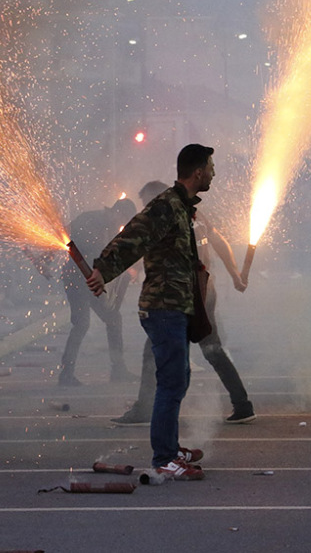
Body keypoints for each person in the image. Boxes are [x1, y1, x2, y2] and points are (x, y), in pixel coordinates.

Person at [86, 143, 216, 481]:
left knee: (179, 378)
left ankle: (171, 448)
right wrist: (103, 270)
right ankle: (164, 458)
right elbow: (133, 236)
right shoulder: (166, 207)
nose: (214, 173)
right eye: (211, 167)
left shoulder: (181, 207)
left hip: (175, 306)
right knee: (171, 382)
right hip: (163, 308)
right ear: (198, 171)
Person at [111, 180, 256, 426]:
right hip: (204, 290)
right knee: (212, 348)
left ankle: (144, 409)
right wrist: (235, 276)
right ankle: (242, 404)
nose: (145, 207)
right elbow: (219, 242)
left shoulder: (165, 220)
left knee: (153, 350)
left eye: (147, 201)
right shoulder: (194, 213)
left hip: (181, 295)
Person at [58, 198, 138, 386]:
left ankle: (118, 370)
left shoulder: (110, 227)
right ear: (117, 212)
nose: (121, 225)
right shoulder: (90, 220)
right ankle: (66, 374)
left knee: (113, 319)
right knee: (81, 324)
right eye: (122, 220)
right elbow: (69, 238)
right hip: (77, 280)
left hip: (92, 281)